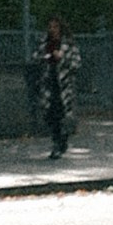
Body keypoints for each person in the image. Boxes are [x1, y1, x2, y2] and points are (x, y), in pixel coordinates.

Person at [37, 14, 80, 158]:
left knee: (63, 114)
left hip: (64, 85)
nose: (52, 30)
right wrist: (48, 57)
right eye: (50, 27)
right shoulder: (44, 43)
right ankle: (56, 141)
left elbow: (76, 63)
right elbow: (36, 57)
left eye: (55, 27)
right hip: (49, 83)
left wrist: (62, 58)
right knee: (50, 114)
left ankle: (62, 140)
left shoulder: (68, 44)